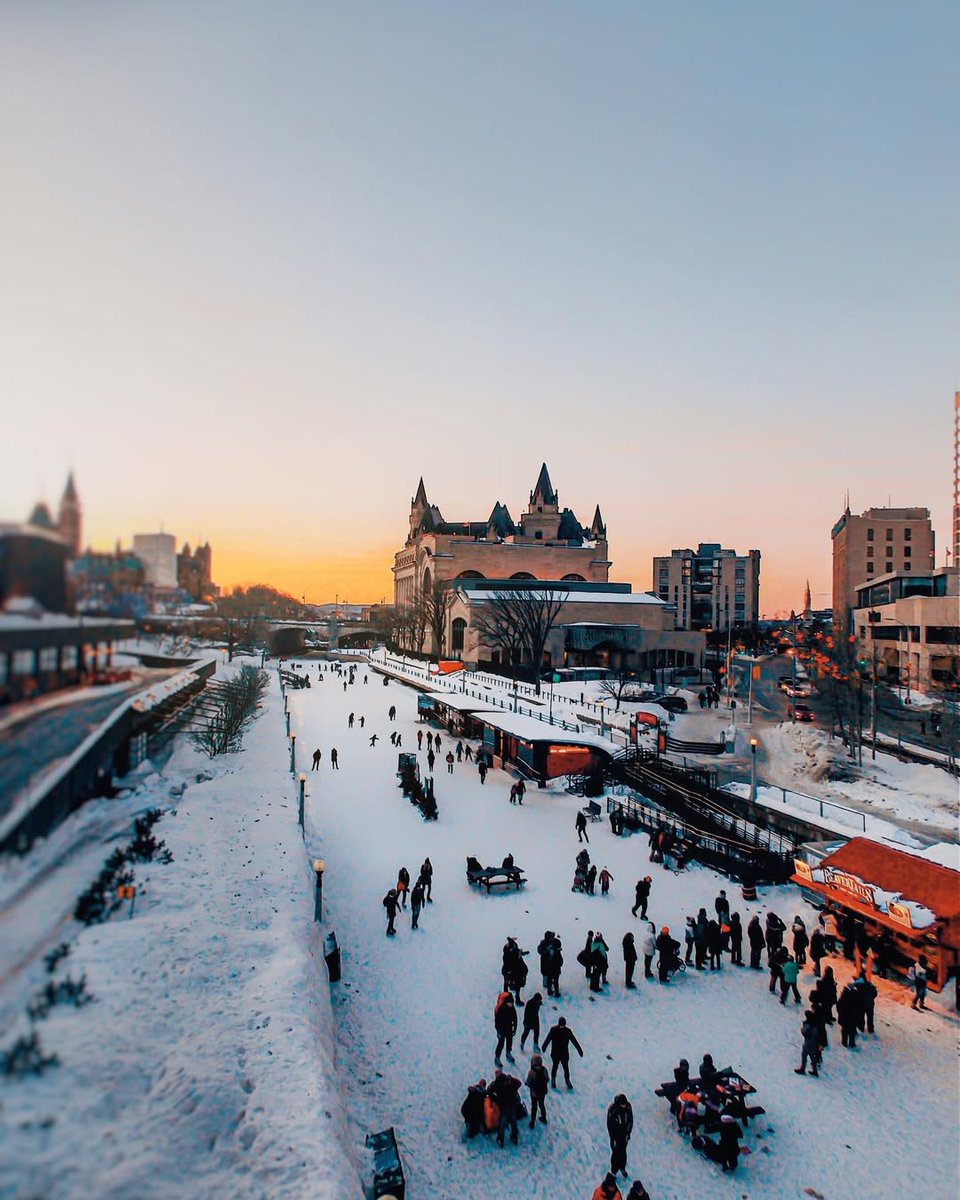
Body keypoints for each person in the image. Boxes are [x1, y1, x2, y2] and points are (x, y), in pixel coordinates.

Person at [541, 1016, 584, 1089]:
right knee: (555, 1066)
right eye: (561, 1025)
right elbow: (548, 1038)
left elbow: (574, 1040)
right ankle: (553, 1079)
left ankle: (567, 1080)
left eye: (563, 1025)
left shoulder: (568, 1031)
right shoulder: (554, 1030)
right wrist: (544, 1046)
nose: (562, 1027)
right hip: (555, 1053)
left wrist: (580, 1050)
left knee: (566, 1068)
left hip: (564, 1053)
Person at [487, 1067, 522, 1147]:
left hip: (503, 1106)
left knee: (502, 1123)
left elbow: (489, 1091)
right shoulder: (510, 1080)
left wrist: (495, 1099)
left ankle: (500, 1139)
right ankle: (514, 1137)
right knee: (513, 1121)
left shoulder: (496, 1083)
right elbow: (519, 1083)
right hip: (512, 1105)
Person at [607, 1093, 634, 1178]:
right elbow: (610, 1125)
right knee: (615, 1153)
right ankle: (614, 1170)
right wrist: (613, 1137)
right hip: (615, 1136)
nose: (624, 1106)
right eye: (622, 1104)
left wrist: (628, 1133)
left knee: (623, 1152)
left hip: (624, 1135)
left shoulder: (628, 1108)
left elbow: (630, 1121)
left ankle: (622, 1167)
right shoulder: (613, 1110)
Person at [526, 1054, 549, 1128]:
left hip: (534, 1093)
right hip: (542, 1092)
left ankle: (532, 1122)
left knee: (534, 1107)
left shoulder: (531, 1071)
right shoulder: (544, 1069)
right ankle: (544, 1117)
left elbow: (528, 1082)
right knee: (542, 1104)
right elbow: (547, 1079)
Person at [494, 992, 518, 1065]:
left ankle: (508, 1052)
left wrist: (515, 1027)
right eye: (510, 1003)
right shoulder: (502, 1009)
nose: (511, 1004)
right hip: (502, 1029)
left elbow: (515, 1018)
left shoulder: (512, 1008)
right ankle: (497, 1057)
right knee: (501, 1043)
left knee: (509, 1042)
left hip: (509, 1028)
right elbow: (497, 1021)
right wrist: (498, 1031)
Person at [837, 982, 861, 1048]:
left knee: (844, 1030)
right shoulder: (855, 995)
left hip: (844, 1016)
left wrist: (840, 1012)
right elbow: (859, 1005)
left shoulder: (844, 995)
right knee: (852, 1030)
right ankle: (851, 1043)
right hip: (853, 1016)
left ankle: (844, 1042)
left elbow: (839, 1005)